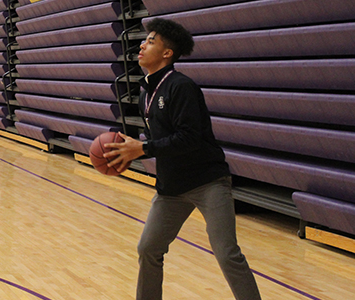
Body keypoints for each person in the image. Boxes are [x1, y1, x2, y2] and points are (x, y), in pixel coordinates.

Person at [103, 18, 261, 300]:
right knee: (148, 249)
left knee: (227, 253)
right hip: (171, 189)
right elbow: (163, 144)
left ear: (167, 53)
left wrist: (143, 149)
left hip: (208, 182)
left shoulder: (182, 86)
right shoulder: (146, 94)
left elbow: (189, 138)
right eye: (144, 40)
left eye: (151, 41)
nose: (142, 44)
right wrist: (138, 152)